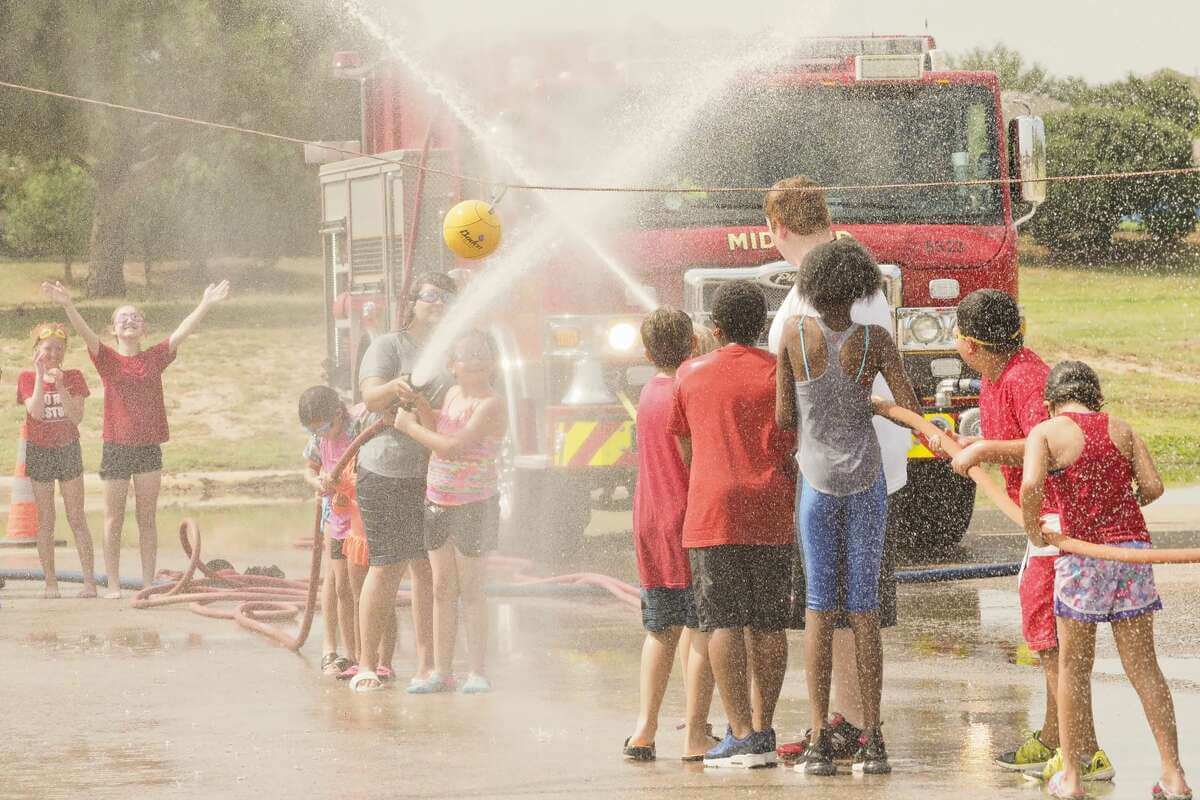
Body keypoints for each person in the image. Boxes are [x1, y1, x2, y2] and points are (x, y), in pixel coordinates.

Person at [764, 175, 912, 762]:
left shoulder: (797, 330)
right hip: (870, 475)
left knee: (820, 609)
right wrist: (874, 402)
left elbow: (782, 417)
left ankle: (828, 731)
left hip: (818, 478)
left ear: (776, 228)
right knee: (864, 608)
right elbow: (905, 403)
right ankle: (869, 733)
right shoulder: (873, 328)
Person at [936, 290, 1110, 781]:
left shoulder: (1025, 379)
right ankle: (1056, 737)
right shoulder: (998, 376)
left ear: (969, 344)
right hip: (1043, 525)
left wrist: (987, 449)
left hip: (1057, 526)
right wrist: (979, 446)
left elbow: (1049, 447)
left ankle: (1084, 751)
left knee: (1052, 640)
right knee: (1045, 639)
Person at [1019, 361, 1188, 800]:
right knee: (1144, 667)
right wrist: (1120, 505)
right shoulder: (1123, 428)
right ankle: (1174, 775)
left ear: (1050, 401)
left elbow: (1031, 484)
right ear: (1096, 397)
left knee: (1074, 669)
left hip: (1083, 556)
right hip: (1132, 553)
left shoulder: (1046, 432)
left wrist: (1035, 529)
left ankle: (1072, 777)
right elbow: (1152, 487)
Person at [670, 280, 795, 769]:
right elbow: (791, 439)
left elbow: (686, 449)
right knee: (768, 621)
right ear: (763, 325)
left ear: (716, 329)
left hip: (713, 512)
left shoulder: (690, 374)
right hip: (770, 506)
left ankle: (739, 731)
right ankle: (764, 727)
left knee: (722, 621)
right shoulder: (776, 374)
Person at [42, 279, 229, 598]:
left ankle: (146, 584)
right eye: (122, 318)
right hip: (115, 447)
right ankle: (112, 584)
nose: (129, 320)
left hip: (148, 449)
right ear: (113, 329)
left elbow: (182, 331)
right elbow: (86, 333)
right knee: (113, 519)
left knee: (147, 519)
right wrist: (68, 305)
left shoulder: (154, 357)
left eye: (135, 317)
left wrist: (205, 303)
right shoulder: (107, 358)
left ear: (144, 328)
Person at [350, 272, 457, 692]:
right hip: (386, 472)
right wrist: (394, 387)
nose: (439, 303)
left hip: (432, 476)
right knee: (387, 567)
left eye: (447, 297)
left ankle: (428, 664)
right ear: (411, 302)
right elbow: (371, 397)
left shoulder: (452, 353)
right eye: (430, 296)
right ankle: (366, 665)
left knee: (428, 572)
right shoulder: (388, 346)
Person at [621, 309, 717, 762]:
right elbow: (699, 457)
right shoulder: (689, 390)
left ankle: (644, 729)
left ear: (645, 353)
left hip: (648, 520)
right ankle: (696, 734)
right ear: (694, 347)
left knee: (660, 627)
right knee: (700, 626)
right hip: (688, 518)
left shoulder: (648, 391)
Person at [394, 329, 505, 695]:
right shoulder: (454, 394)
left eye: (481, 355)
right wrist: (421, 408)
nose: (474, 362)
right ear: (452, 367)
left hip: (474, 504)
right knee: (442, 588)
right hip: (438, 499)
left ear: (491, 363)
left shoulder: (490, 403)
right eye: (466, 357)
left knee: (471, 588)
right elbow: (437, 430)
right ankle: (442, 671)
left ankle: (478, 670)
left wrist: (409, 427)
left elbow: (453, 448)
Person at [16, 322, 96, 598]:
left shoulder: (74, 376)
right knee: (46, 519)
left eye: (58, 349)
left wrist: (60, 384)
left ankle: (89, 582)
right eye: (47, 348)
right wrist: (41, 377)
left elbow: (76, 417)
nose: (52, 353)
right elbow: (36, 413)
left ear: (64, 352)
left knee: (76, 517)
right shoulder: (27, 377)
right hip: (40, 450)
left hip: (68, 448)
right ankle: (51, 583)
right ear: (37, 349)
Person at [299, 385, 362, 678]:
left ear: (339, 413)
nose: (322, 434)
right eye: (315, 430)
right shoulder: (318, 438)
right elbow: (309, 469)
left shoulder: (358, 429)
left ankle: (361, 654)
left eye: (326, 427)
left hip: (359, 518)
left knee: (356, 584)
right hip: (334, 517)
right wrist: (317, 482)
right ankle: (337, 650)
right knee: (339, 585)